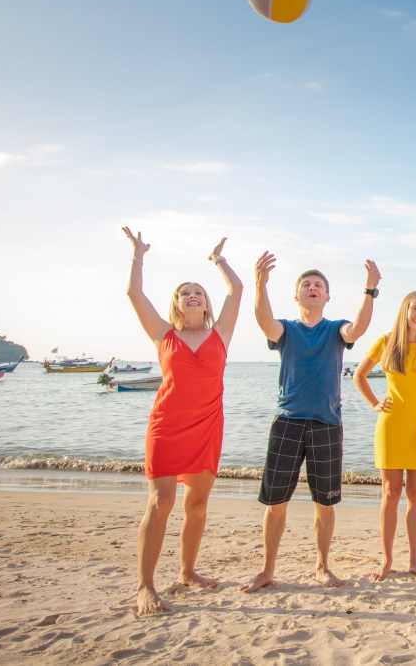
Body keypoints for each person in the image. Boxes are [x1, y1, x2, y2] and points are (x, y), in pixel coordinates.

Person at [241, 255, 380, 593]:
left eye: (319, 285)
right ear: (297, 295)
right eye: (307, 284)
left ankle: (322, 566)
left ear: (327, 296)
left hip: (327, 425)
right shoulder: (286, 330)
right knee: (276, 504)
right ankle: (267, 570)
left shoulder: (335, 330)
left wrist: (370, 290)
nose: (313, 288)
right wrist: (260, 283)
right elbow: (264, 321)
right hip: (287, 423)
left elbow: (358, 328)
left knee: (325, 504)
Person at [122, 228, 242, 615]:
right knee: (161, 502)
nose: (192, 295)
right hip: (166, 426)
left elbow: (236, 290)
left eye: (198, 292)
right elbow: (134, 295)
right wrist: (139, 255)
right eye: (184, 292)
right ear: (176, 303)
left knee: (198, 503)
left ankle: (188, 571)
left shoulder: (221, 333)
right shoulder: (162, 334)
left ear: (205, 303)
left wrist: (218, 260)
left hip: (207, 426)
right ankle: (145, 586)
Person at [355, 291, 416, 581]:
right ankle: (387, 560)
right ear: (405, 310)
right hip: (391, 427)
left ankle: (415, 561)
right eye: (415, 308)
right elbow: (359, 375)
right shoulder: (386, 341)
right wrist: (375, 403)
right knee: (390, 493)